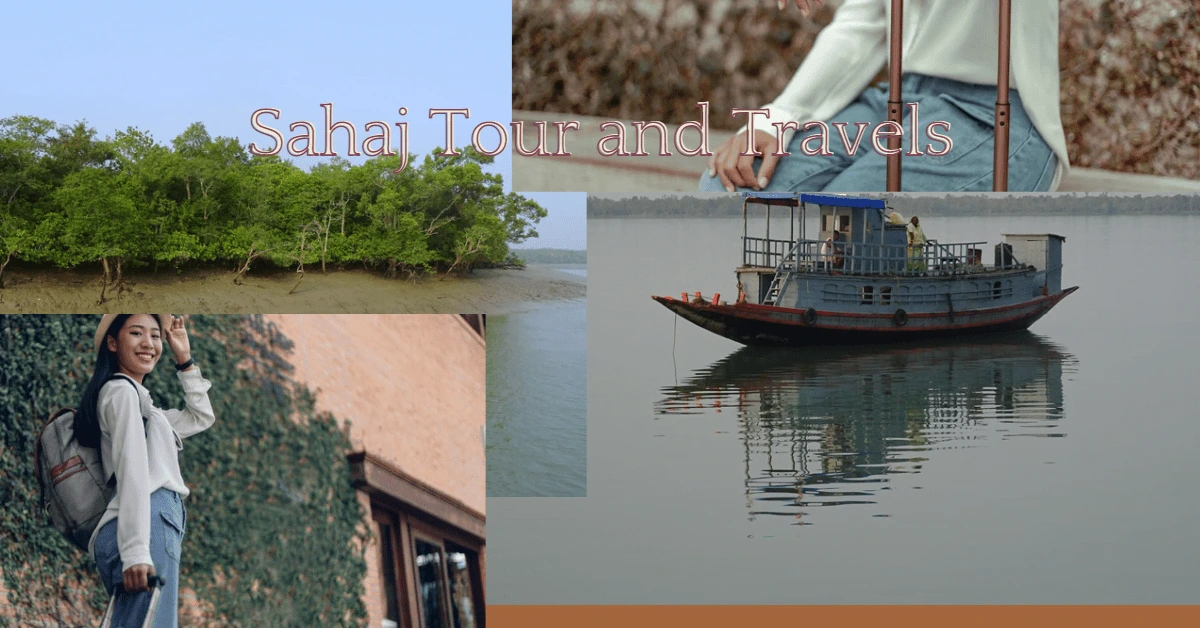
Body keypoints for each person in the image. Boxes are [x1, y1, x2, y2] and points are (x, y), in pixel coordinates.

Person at [701, 0, 1066, 193]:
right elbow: (862, 26)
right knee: (728, 189)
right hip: (900, 101)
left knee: (847, 226)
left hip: (993, 115)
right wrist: (780, 115)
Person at [74, 314, 216, 628]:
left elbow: (201, 417)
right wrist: (136, 551)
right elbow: (132, 469)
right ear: (113, 343)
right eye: (136, 333)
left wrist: (184, 358)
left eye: (154, 335)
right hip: (146, 527)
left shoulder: (147, 410)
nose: (148, 343)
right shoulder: (122, 393)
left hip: (145, 527)